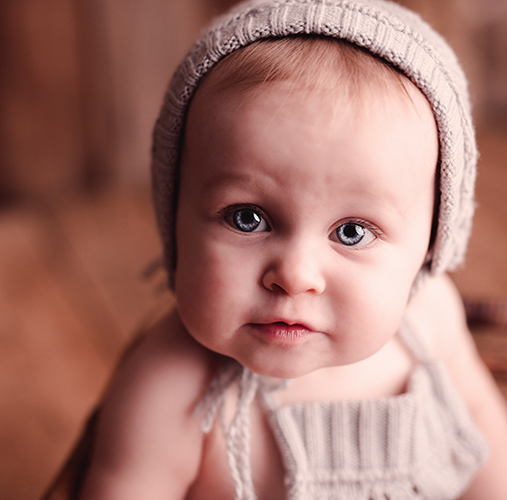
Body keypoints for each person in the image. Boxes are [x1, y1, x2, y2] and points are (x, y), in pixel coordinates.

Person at [79, 0, 507, 498]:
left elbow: (484, 436)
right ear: (174, 221)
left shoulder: (431, 321)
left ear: (429, 247)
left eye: (352, 232)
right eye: (248, 218)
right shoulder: (171, 391)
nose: (295, 274)